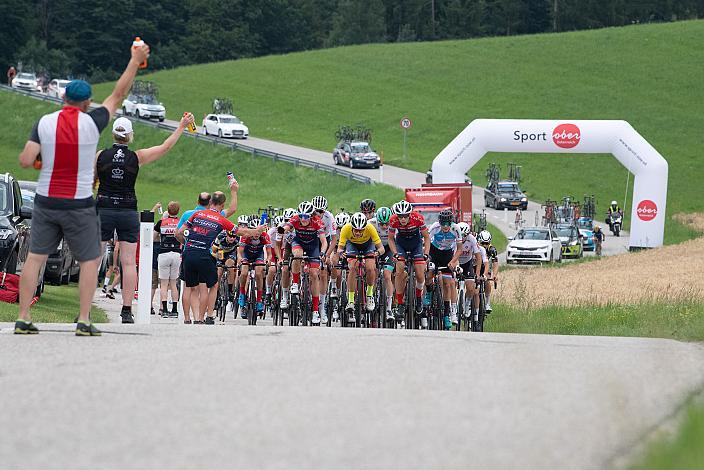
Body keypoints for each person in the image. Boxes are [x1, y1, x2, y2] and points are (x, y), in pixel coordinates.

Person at [15, 42, 150, 336]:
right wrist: (134, 60)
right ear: (87, 102)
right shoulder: (92, 122)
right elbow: (118, 93)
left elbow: (25, 160)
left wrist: (41, 159)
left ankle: (24, 316)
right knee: (89, 259)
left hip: (46, 199)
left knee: (35, 257)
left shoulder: (44, 122)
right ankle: (84, 319)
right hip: (78, 201)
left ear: (63, 97)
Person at [96, 112, 194, 323]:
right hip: (127, 209)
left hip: (103, 207)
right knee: (129, 262)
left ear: (113, 134)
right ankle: (126, 310)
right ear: (130, 136)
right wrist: (182, 126)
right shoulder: (136, 157)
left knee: (93, 259)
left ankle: (84, 307)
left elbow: (91, 181)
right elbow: (165, 147)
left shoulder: (100, 155)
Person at [176, 186, 263, 324]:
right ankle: (201, 318)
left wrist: (186, 244)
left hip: (189, 252)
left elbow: (180, 232)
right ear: (222, 205)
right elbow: (240, 231)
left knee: (189, 287)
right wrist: (256, 231)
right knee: (209, 286)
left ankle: (187, 319)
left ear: (210, 202)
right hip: (205, 254)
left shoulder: (196, 214)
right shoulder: (221, 219)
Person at [282, 201, 328, 325]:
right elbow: (287, 226)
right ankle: (296, 283)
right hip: (299, 243)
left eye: (306, 216)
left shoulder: (317, 221)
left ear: (311, 216)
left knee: (314, 274)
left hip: (313, 247)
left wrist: (323, 253)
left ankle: (315, 311)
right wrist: (282, 230)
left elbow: (324, 242)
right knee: (297, 255)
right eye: (301, 216)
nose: (303, 219)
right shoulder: (296, 219)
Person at [387, 200, 430, 328]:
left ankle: (418, 298)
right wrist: (394, 253)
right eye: (400, 216)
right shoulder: (393, 220)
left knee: (420, 273)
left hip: (416, 244)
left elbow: (426, 237)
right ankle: (400, 303)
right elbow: (390, 239)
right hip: (401, 244)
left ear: (410, 215)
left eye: (405, 216)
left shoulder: (418, 218)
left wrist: (426, 253)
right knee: (399, 270)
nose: (403, 219)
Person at [337, 212, 385, 323]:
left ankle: (369, 295)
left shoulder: (370, 228)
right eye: (356, 230)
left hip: (367, 245)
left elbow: (381, 248)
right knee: (352, 267)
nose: (358, 233)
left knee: (370, 267)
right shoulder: (346, 228)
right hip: (352, 245)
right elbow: (340, 248)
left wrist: (377, 253)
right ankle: (350, 300)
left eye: (361, 230)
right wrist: (341, 253)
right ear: (352, 227)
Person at [426, 209, 462, 328]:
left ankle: (447, 315)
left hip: (447, 255)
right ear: (439, 222)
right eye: (443, 224)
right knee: (430, 273)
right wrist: (425, 257)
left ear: (451, 223)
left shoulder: (456, 229)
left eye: (448, 224)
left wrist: (452, 262)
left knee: (447, 284)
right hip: (434, 252)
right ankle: (429, 293)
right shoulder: (434, 227)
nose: (445, 227)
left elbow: (460, 249)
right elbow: (426, 241)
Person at [237, 218, 271, 316]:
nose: (257, 233)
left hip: (258, 255)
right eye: (255, 231)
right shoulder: (246, 235)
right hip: (246, 255)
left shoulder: (265, 236)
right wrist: (240, 258)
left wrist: (268, 260)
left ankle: (259, 299)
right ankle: (242, 293)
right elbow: (240, 252)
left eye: (259, 231)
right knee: (244, 272)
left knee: (259, 273)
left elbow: (269, 254)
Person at [311, 195, 337, 324]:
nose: (318, 214)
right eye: (316, 211)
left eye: (321, 211)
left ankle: (322, 307)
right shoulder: (308, 216)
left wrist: (327, 255)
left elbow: (334, 240)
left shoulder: (329, 217)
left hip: (324, 241)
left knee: (324, 270)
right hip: (311, 240)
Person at [155, 201, 182, 317]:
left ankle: (164, 310)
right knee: (174, 283)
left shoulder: (161, 222)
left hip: (164, 253)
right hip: (176, 253)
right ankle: (175, 310)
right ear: (178, 211)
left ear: (168, 210)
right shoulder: (180, 222)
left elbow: (153, 237)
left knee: (164, 284)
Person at [369, 207, 394, 321]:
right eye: (382, 224)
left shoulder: (395, 224)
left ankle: (389, 308)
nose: (384, 227)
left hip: (389, 249)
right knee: (372, 272)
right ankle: (370, 297)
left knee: (387, 275)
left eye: (386, 224)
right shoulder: (371, 223)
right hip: (375, 248)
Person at [456, 222, 482, 320]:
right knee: (450, 282)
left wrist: (478, 274)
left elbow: (479, 257)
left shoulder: (472, 239)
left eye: (464, 236)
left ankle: (467, 305)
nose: (462, 238)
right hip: (456, 262)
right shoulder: (454, 237)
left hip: (467, 263)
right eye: (460, 235)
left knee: (471, 287)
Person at [477, 230, 499, 313]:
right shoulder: (476, 247)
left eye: (487, 243)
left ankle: (487, 303)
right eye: (483, 243)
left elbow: (495, 263)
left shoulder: (492, 250)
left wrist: (495, 275)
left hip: (486, 267)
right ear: (479, 241)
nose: (485, 245)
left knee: (487, 281)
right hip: (476, 266)